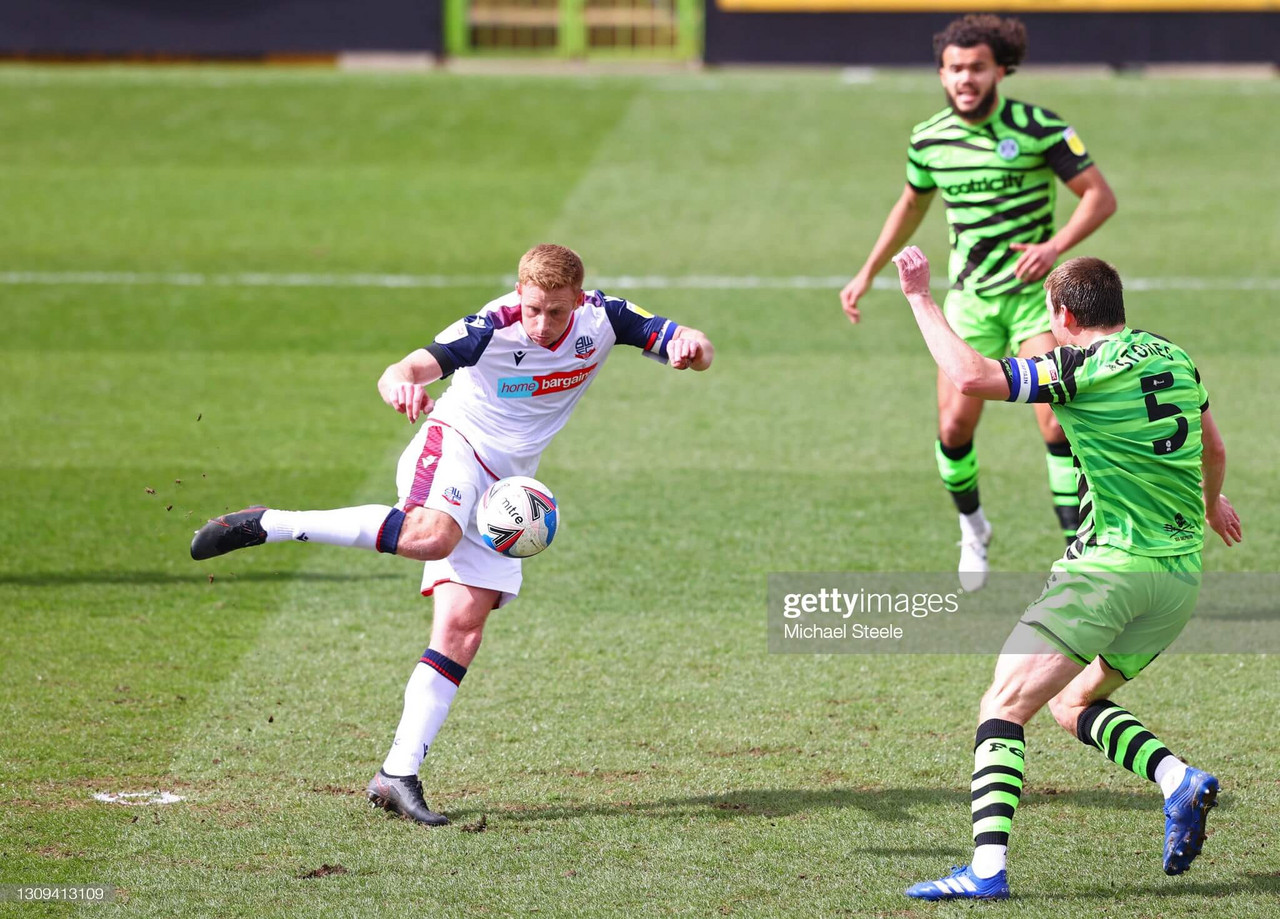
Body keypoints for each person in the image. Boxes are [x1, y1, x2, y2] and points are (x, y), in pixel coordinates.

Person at [189, 244, 714, 826]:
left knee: (463, 630)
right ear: (520, 294)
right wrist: (401, 385)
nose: (543, 325)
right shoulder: (489, 328)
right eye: (534, 308)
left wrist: (692, 348)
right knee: (432, 535)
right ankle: (274, 525)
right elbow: (406, 369)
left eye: (556, 312)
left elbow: (691, 344)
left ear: (578, 300)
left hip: (506, 490)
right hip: (456, 446)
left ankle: (397, 773)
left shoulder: (605, 318)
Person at [890, 245, 1241, 900]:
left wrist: (919, 297)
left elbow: (969, 376)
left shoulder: (1076, 366)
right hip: (1178, 580)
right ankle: (1176, 778)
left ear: (1063, 316)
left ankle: (986, 871)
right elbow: (1214, 446)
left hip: (1109, 573)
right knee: (1071, 700)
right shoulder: (1173, 354)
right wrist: (1210, 502)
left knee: (1003, 703)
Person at [840, 14, 1117, 589]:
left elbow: (1099, 197)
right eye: (955, 69)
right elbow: (911, 204)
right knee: (954, 426)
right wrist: (866, 271)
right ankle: (973, 530)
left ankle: (1077, 556)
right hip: (969, 301)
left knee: (1055, 425)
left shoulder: (1040, 128)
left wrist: (1055, 245)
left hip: (1033, 305)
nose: (966, 78)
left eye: (977, 68)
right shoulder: (929, 138)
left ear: (1001, 69)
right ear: (942, 74)